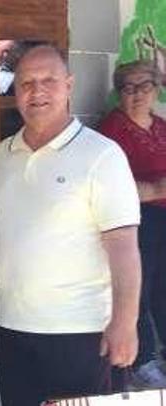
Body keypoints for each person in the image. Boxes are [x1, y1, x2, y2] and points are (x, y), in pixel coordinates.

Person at [0, 45, 141, 406]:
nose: (36, 92)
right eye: (26, 83)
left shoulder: (102, 155)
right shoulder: (2, 156)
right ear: (15, 91)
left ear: (68, 87)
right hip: (12, 329)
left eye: (48, 81)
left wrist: (125, 323)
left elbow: (125, 249)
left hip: (78, 333)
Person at [98, 60, 166, 378]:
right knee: (139, 287)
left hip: (162, 217)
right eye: (128, 87)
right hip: (136, 220)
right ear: (118, 92)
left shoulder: (161, 126)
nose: (137, 94)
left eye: (145, 86)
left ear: (157, 89)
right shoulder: (111, 131)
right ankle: (143, 360)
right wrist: (154, 188)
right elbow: (111, 186)